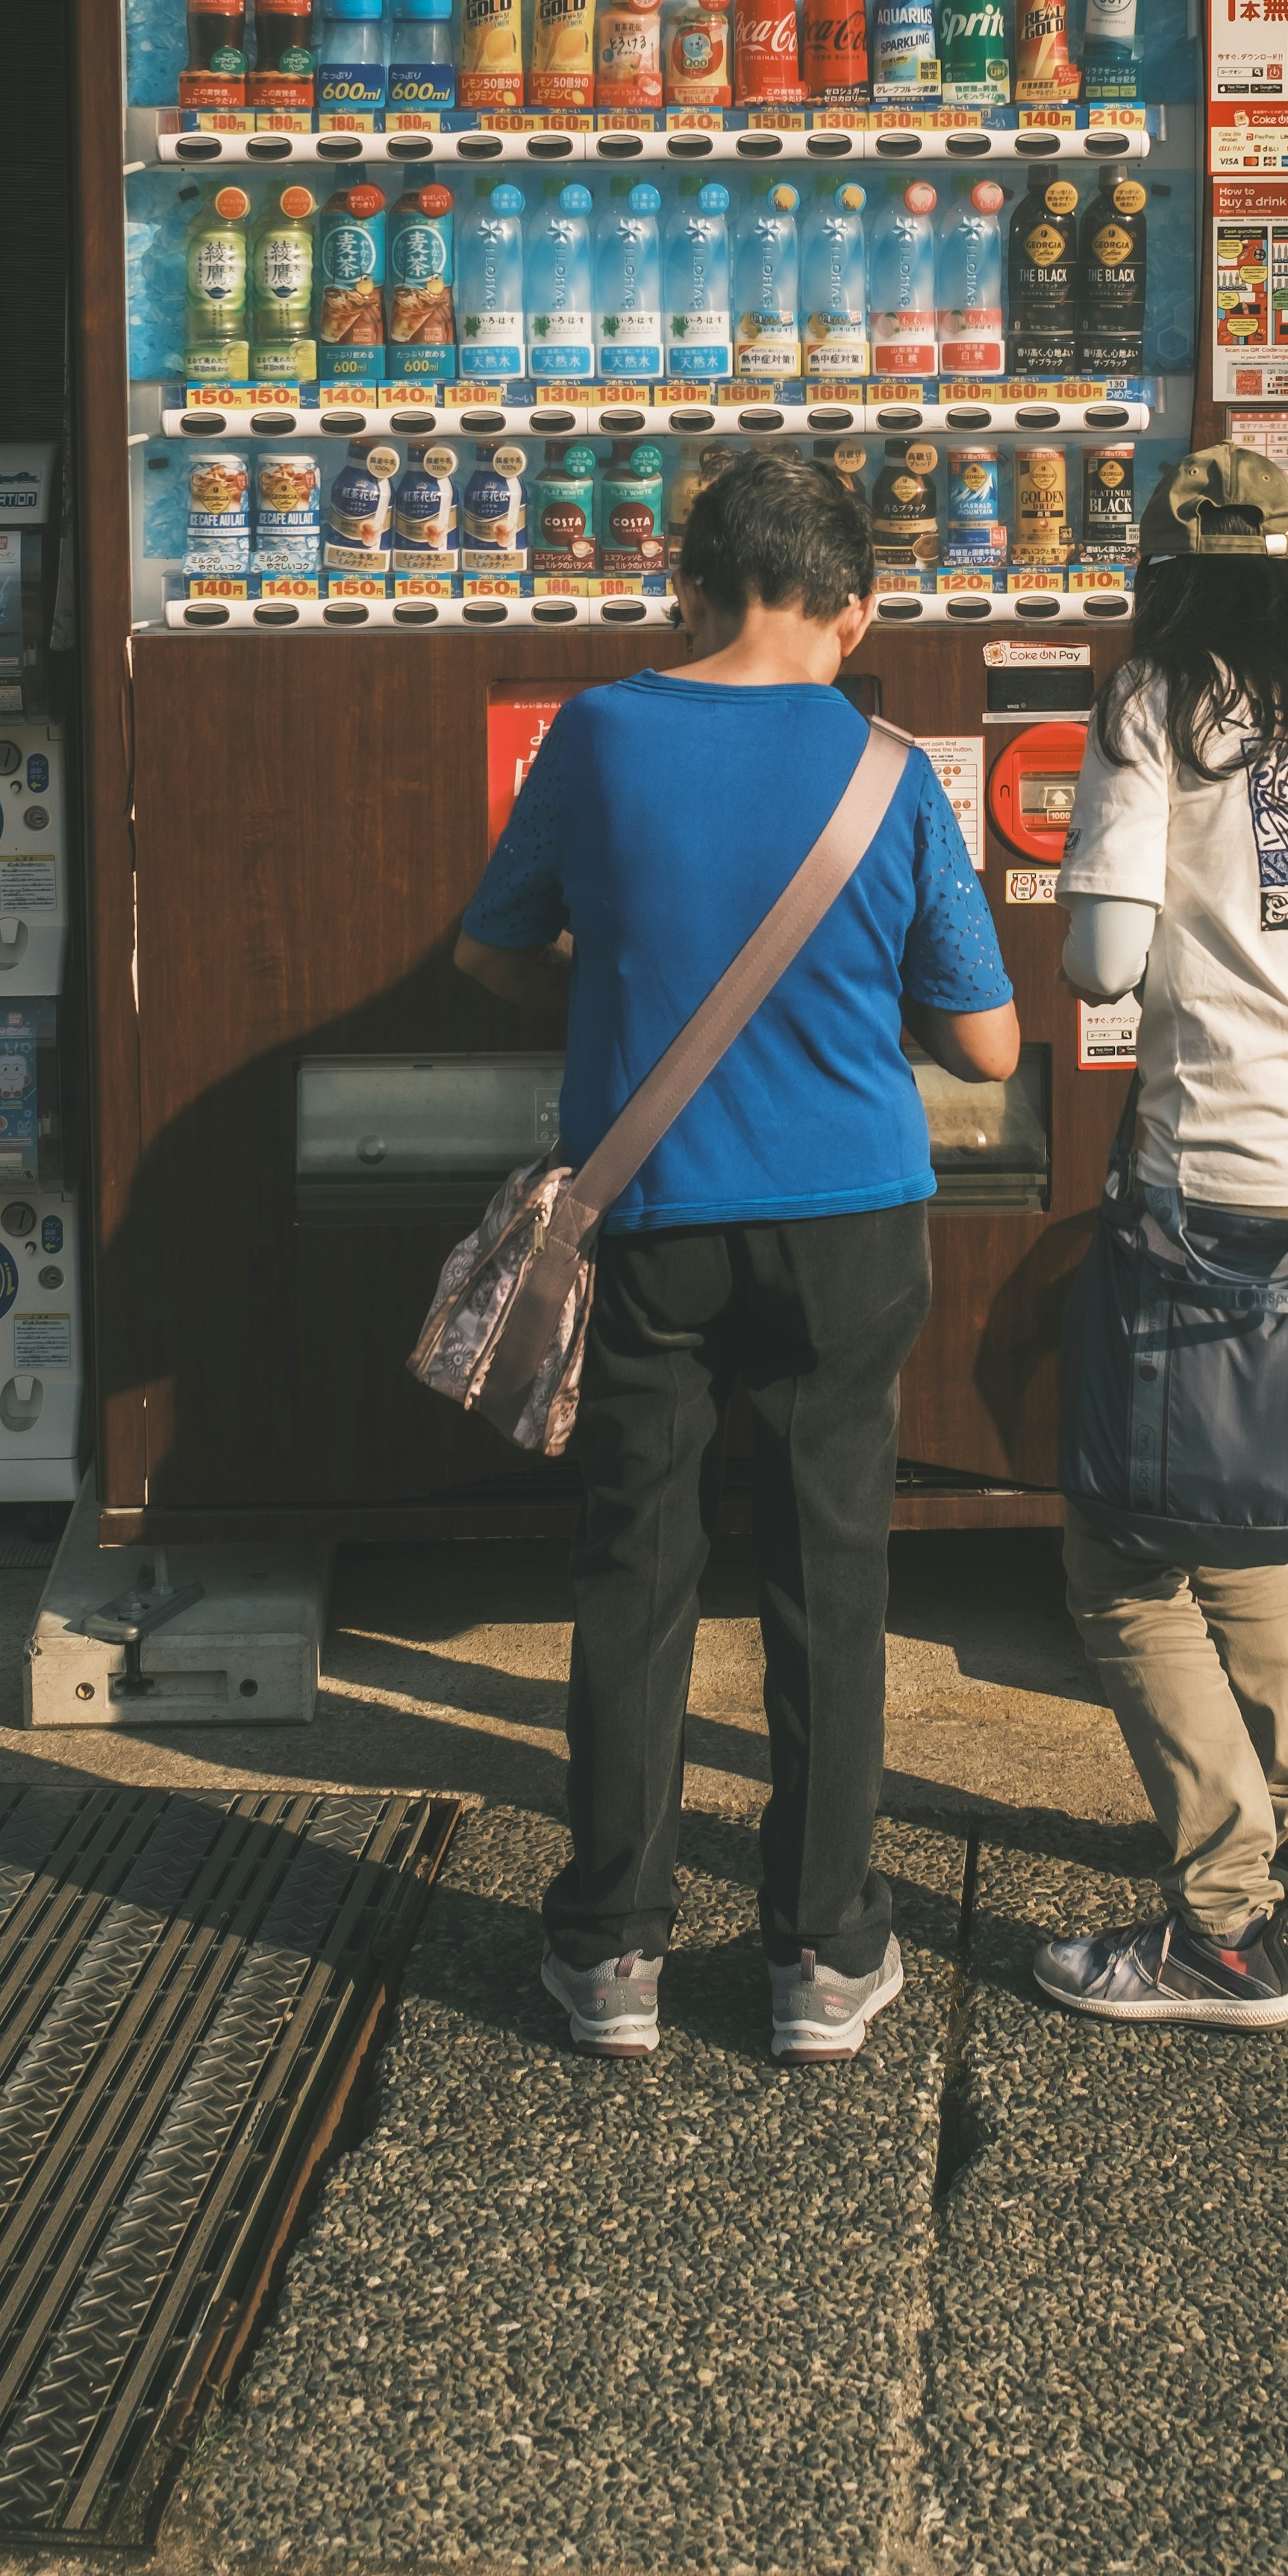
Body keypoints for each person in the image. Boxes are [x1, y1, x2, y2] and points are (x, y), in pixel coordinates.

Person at [454, 451, 1017, 2065]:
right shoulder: (892, 771)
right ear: (856, 610)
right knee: (830, 1575)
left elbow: (489, 953)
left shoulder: (601, 733)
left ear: (686, 587)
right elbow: (983, 1044)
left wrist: (623, 979)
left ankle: (612, 1957)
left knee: (637, 1569)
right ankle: (824, 1963)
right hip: (850, 1221)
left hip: (651, 1215)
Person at [1033, 449, 1288, 2035]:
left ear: (1172, 577)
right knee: (1240, 1508)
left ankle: (1221, 1923)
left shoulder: (1162, 703)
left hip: (1223, 1194)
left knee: (1125, 1548)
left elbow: (1099, 964)